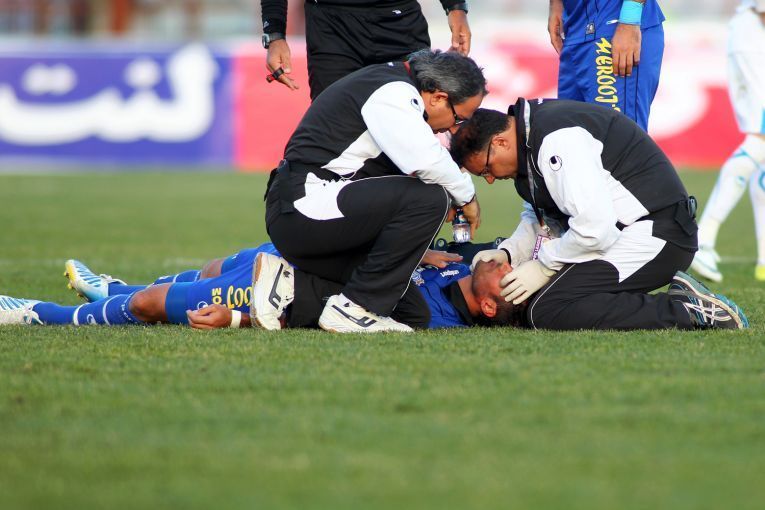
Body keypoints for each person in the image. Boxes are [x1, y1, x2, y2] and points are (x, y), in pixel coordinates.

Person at [448, 100, 748, 330]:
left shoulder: (555, 140)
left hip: (659, 235)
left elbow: (595, 229)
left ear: (500, 142)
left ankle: (688, 310)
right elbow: (544, 217)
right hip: (635, 230)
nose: (490, 179)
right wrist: (509, 252)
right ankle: (684, 300)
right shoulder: (533, 137)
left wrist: (544, 265)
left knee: (546, 308)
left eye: (485, 169)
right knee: (545, 299)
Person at [258, 49, 486, 334]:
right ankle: (352, 309)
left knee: (412, 314)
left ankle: (286, 282)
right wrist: (468, 197)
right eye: (458, 118)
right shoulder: (394, 90)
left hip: (311, 216)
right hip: (303, 209)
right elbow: (426, 160)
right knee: (431, 198)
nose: (452, 129)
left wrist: (410, 251)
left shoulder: (391, 85)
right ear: (438, 97)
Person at [0, 244, 523, 330]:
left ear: (488, 306)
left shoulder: (429, 318)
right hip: (291, 254)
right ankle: (114, 287)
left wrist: (242, 319)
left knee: (148, 305)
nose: (509, 265)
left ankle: (36, 313)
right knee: (213, 267)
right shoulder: (463, 264)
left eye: (509, 278)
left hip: (286, 286)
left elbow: (339, 318)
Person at [691, 0, 765, 283]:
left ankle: (764, 260)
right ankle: (703, 239)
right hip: (756, 33)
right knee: (760, 138)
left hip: (751, 32)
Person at [261, 0, 471, 99]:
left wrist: (456, 7)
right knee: (335, 127)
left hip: (400, 20)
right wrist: (274, 34)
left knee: (411, 123)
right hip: (331, 26)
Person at [547, 0, 664, 130]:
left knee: (617, 136)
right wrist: (556, 4)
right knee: (570, 136)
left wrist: (630, 17)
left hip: (616, 25)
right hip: (574, 24)